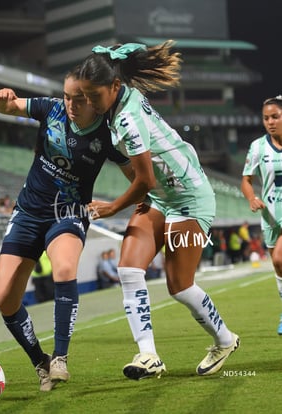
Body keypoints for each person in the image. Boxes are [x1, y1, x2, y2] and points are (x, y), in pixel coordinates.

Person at [78, 41, 239, 380]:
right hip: (162, 198)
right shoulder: (115, 104)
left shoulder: (128, 119)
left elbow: (145, 180)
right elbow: (134, 169)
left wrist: (113, 208)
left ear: (115, 87)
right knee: (128, 269)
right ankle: (148, 355)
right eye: (85, 95)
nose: (89, 102)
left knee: (179, 286)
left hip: (189, 198)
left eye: (94, 95)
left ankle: (224, 339)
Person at [0, 66, 133, 392]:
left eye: (79, 99)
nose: (70, 104)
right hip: (28, 211)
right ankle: (40, 362)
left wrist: (125, 203)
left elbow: (135, 176)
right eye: (67, 96)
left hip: (68, 212)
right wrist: (1, 101)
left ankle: (59, 357)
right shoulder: (50, 108)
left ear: (94, 100)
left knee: (65, 268)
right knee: (4, 299)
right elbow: (8, 107)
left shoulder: (107, 134)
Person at [241, 94, 282, 335]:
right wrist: (251, 198)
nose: (270, 122)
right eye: (266, 118)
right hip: (269, 216)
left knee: (279, 259)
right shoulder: (258, 147)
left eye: (275, 116)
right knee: (278, 269)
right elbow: (246, 180)